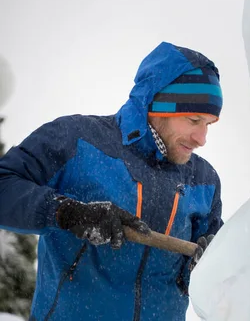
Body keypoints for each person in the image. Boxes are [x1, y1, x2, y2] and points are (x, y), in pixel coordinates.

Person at [0, 42, 224, 320]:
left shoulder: (204, 181)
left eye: (208, 124)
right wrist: (66, 212)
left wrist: (213, 268)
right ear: (156, 104)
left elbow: (216, 283)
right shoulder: (76, 141)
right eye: (193, 120)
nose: (202, 139)